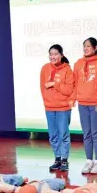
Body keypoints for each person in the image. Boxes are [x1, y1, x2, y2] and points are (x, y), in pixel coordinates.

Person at [70, 37, 97, 174]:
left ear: (95, 47)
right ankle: (89, 161)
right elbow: (75, 83)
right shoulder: (78, 63)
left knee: (96, 133)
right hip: (82, 103)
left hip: (95, 104)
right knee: (86, 133)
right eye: (84, 46)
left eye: (88, 46)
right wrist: (73, 98)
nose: (86, 48)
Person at [40, 44, 74, 172]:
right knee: (53, 135)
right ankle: (57, 158)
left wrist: (55, 84)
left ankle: (65, 159)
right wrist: (47, 101)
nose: (53, 56)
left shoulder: (67, 70)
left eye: (55, 54)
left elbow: (69, 89)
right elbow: (42, 87)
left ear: (61, 55)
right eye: (51, 54)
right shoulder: (44, 68)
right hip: (49, 107)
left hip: (63, 108)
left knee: (63, 134)